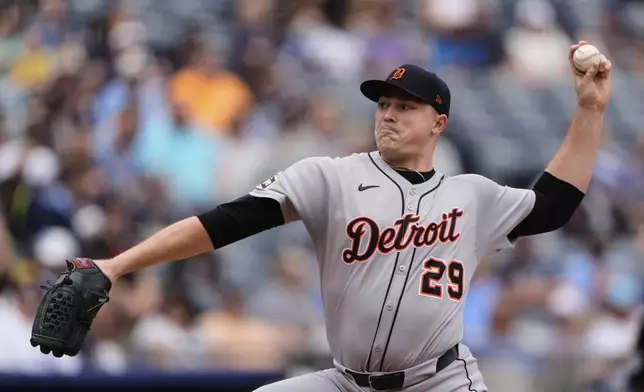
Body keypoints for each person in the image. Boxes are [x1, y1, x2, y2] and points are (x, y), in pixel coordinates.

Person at [32, 40, 611, 391]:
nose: (387, 115)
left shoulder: (473, 196)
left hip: (441, 382)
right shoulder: (329, 177)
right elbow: (223, 223)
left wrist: (589, 109)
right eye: (383, 104)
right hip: (345, 381)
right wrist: (118, 263)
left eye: (405, 107)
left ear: (438, 122)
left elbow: (555, 203)